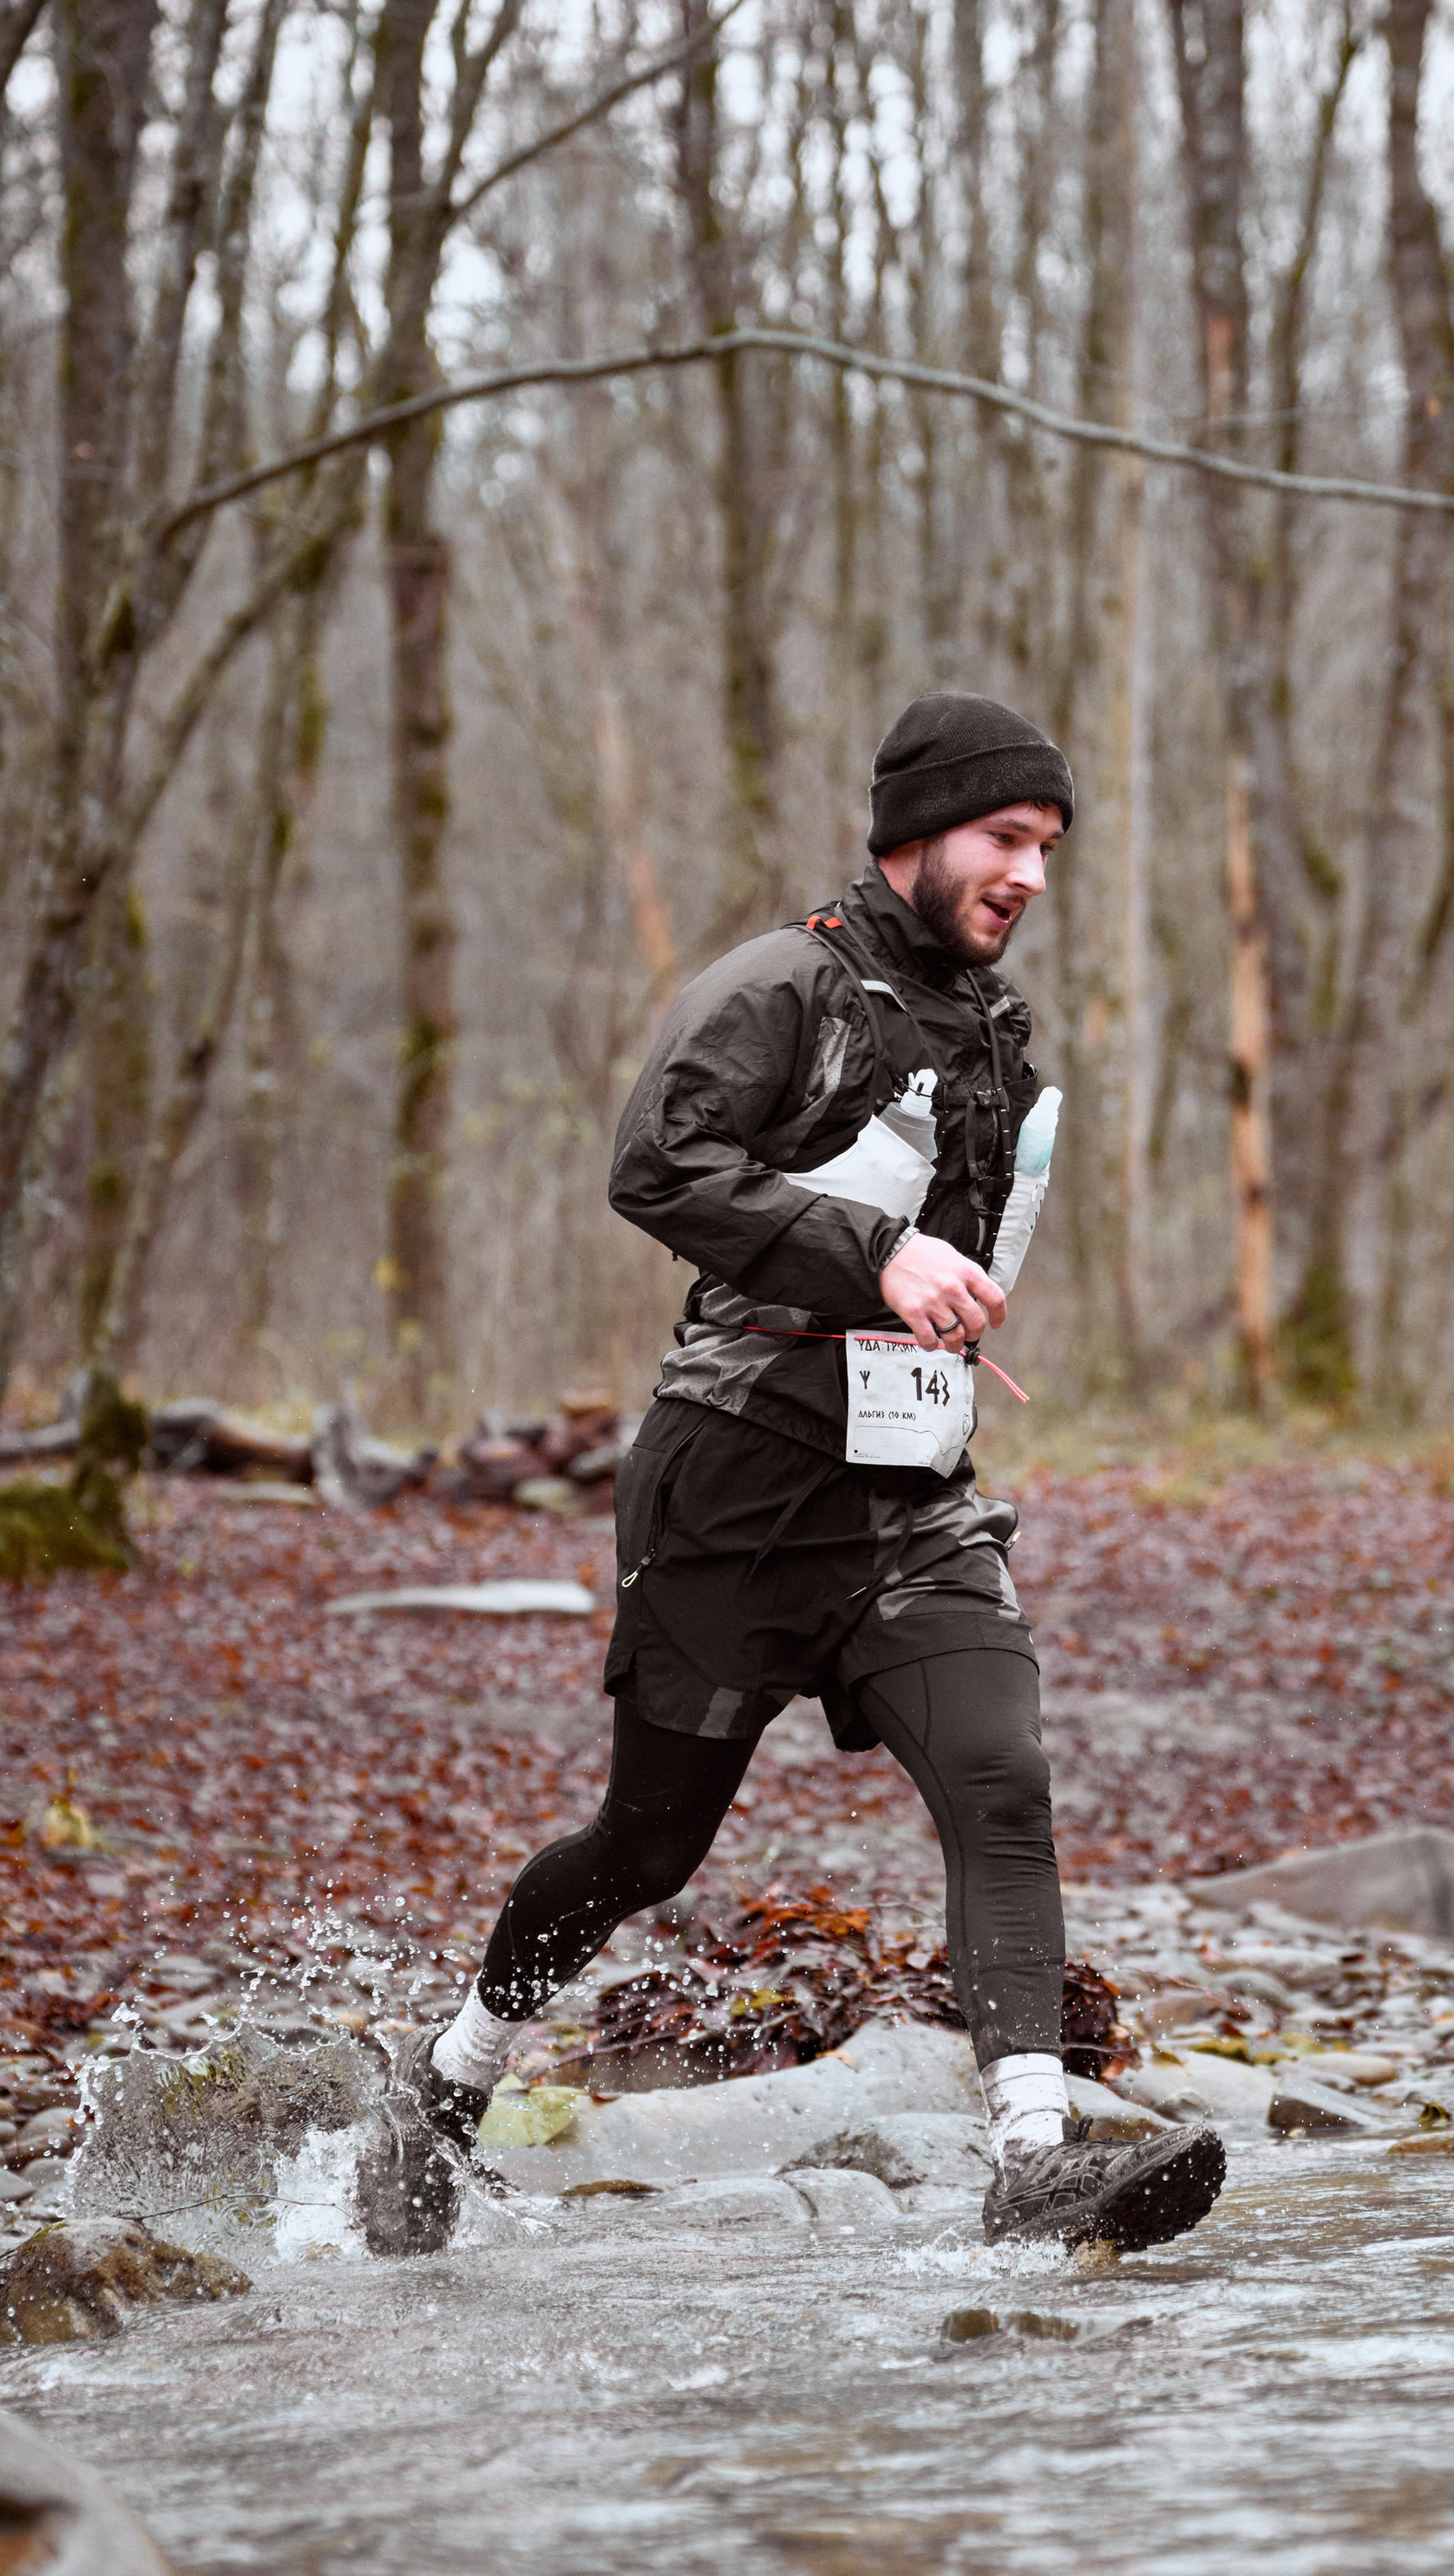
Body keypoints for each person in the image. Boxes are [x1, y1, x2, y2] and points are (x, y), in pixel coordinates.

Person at [358, 692, 1225, 2260]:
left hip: (913, 1498)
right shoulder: (777, 987)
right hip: (736, 1487)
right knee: (649, 1846)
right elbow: (656, 1168)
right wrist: (880, 1255)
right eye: (1005, 840)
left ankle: (1032, 2155)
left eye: (1047, 849)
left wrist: (943, 1309)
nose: (1031, 875)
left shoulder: (994, 1027)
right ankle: (445, 2084)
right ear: (913, 836)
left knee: (1001, 1783)